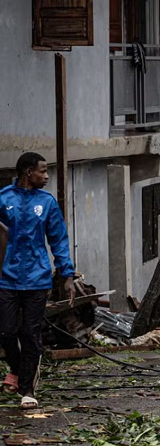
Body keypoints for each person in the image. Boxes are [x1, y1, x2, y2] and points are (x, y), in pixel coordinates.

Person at [0, 152, 75, 409]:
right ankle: (19, 371)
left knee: (30, 333)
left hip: (37, 278)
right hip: (6, 279)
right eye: (43, 171)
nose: (46, 176)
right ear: (28, 172)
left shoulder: (47, 202)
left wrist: (67, 275)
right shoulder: (3, 199)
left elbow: (59, 240)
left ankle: (27, 390)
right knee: (6, 331)